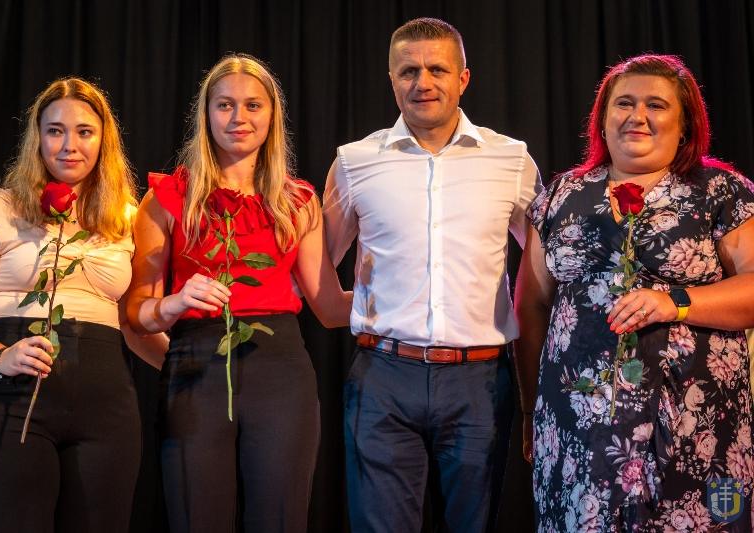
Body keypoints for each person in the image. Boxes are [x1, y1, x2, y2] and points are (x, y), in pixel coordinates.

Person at [515, 54, 754, 531]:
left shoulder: (719, 191)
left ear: (685, 126)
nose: (637, 115)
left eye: (656, 105)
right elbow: (531, 305)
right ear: (602, 121)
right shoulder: (561, 195)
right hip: (578, 428)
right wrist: (528, 408)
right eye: (624, 103)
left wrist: (675, 303)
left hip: (694, 426)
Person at [323, 17, 542, 533]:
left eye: (437, 70)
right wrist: (363, 306)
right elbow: (316, 265)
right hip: (382, 376)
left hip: (479, 381)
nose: (423, 82)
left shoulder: (511, 160)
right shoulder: (355, 162)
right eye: (409, 71)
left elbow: (547, 269)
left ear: (463, 78)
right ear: (391, 79)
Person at [126, 53, 351, 533]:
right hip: (195, 366)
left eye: (252, 105)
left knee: (281, 519)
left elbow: (330, 308)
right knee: (197, 518)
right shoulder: (167, 198)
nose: (238, 117)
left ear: (271, 116)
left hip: (281, 371)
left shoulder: (297, 201)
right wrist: (174, 304)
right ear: (206, 114)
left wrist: (403, 291)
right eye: (225, 105)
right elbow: (136, 315)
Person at [0, 78, 167, 532]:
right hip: (5, 396)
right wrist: (1, 356)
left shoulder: (126, 218)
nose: (70, 144)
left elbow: (133, 323)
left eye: (84, 131)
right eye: (55, 131)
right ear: (37, 138)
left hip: (105, 403)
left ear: (104, 141)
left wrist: (192, 370)